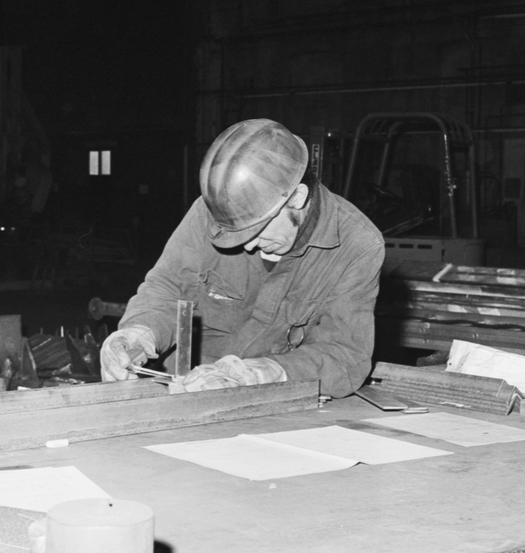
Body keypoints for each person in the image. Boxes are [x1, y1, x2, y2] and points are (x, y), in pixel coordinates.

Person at [100, 118, 385, 398]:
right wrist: (138, 333)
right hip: (179, 391)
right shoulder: (216, 214)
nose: (246, 246)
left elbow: (345, 355)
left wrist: (265, 373)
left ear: (297, 197)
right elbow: (166, 289)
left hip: (269, 404)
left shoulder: (358, 246)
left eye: (257, 230)